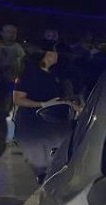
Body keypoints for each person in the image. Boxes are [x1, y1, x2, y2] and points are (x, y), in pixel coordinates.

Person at [13, 42, 74, 184]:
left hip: (53, 123)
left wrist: (72, 105)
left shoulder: (54, 74)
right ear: (46, 55)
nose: (57, 55)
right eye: (53, 52)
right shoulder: (30, 74)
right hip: (33, 124)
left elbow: (57, 98)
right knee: (41, 163)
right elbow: (18, 99)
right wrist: (42, 104)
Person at [0, 24, 25, 146]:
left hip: (12, 86)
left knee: (8, 112)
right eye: (8, 32)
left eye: (13, 32)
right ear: (2, 33)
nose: (11, 35)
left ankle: (7, 136)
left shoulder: (19, 49)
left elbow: (22, 67)